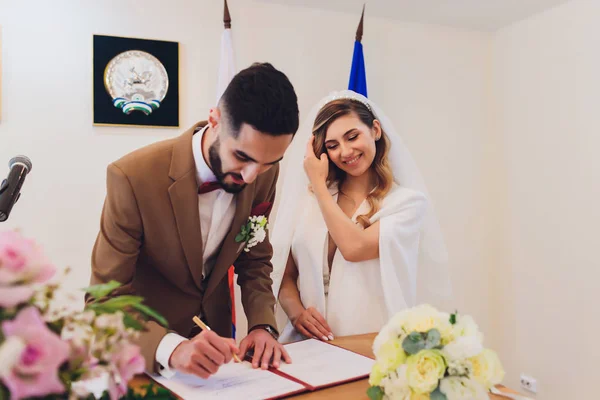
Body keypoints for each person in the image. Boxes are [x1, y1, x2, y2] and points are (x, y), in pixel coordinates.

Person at [90, 62, 299, 378]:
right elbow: (103, 302)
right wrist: (170, 348)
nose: (251, 176)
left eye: (269, 163)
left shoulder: (261, 174)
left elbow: (254, 259)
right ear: (214, 120)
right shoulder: (132, 177)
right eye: (242, 156)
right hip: (143, 358)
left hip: (219, 365)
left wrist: (262, 324)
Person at [272, 90, 451, 343]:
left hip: (370, 344)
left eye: (352, 136)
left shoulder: (407, 204)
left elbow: (354, 248)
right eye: (332, 146)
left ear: (375, 130)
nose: (345, 152)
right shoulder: (309, 202)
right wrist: (296, 314)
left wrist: (319, 184)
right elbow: (284, 273)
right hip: (308, 344)